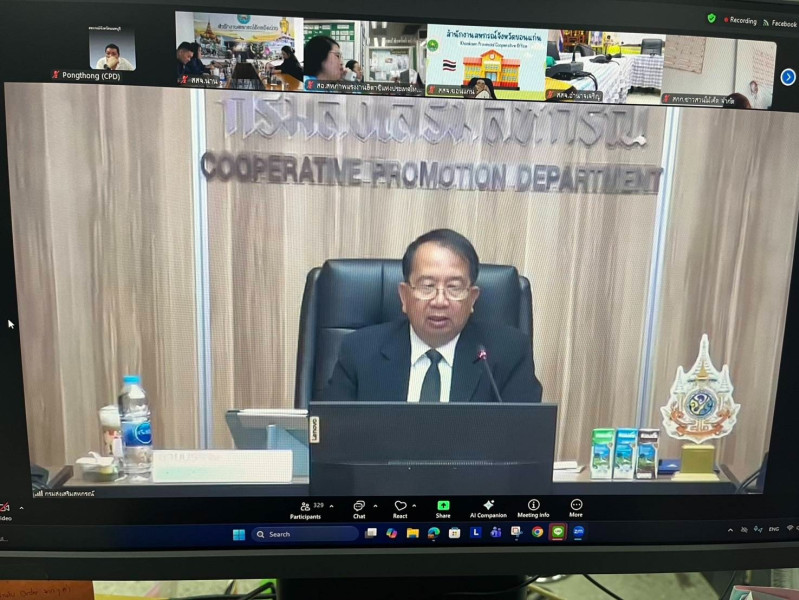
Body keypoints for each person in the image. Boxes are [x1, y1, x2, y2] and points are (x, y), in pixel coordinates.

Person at [322, 229, 543, 404]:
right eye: (427, 286)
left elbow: (523, 439)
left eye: (454, 287)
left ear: (472, 298)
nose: (440, 301)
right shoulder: (359, 351)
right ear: (404, 296)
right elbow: (333, 435)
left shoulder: (509, 355)